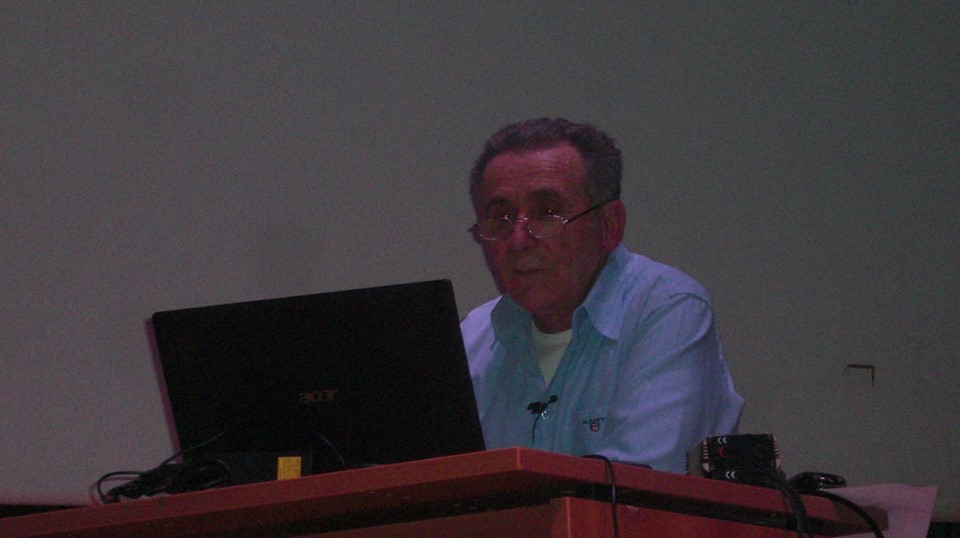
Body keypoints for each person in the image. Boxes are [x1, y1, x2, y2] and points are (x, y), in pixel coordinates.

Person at [460, 118, 744, 473]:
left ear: (610, 225)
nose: (518, 242)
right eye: (501, 217)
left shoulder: (668, 309)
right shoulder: (472, 338)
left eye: (546, 213)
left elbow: (638, 484)